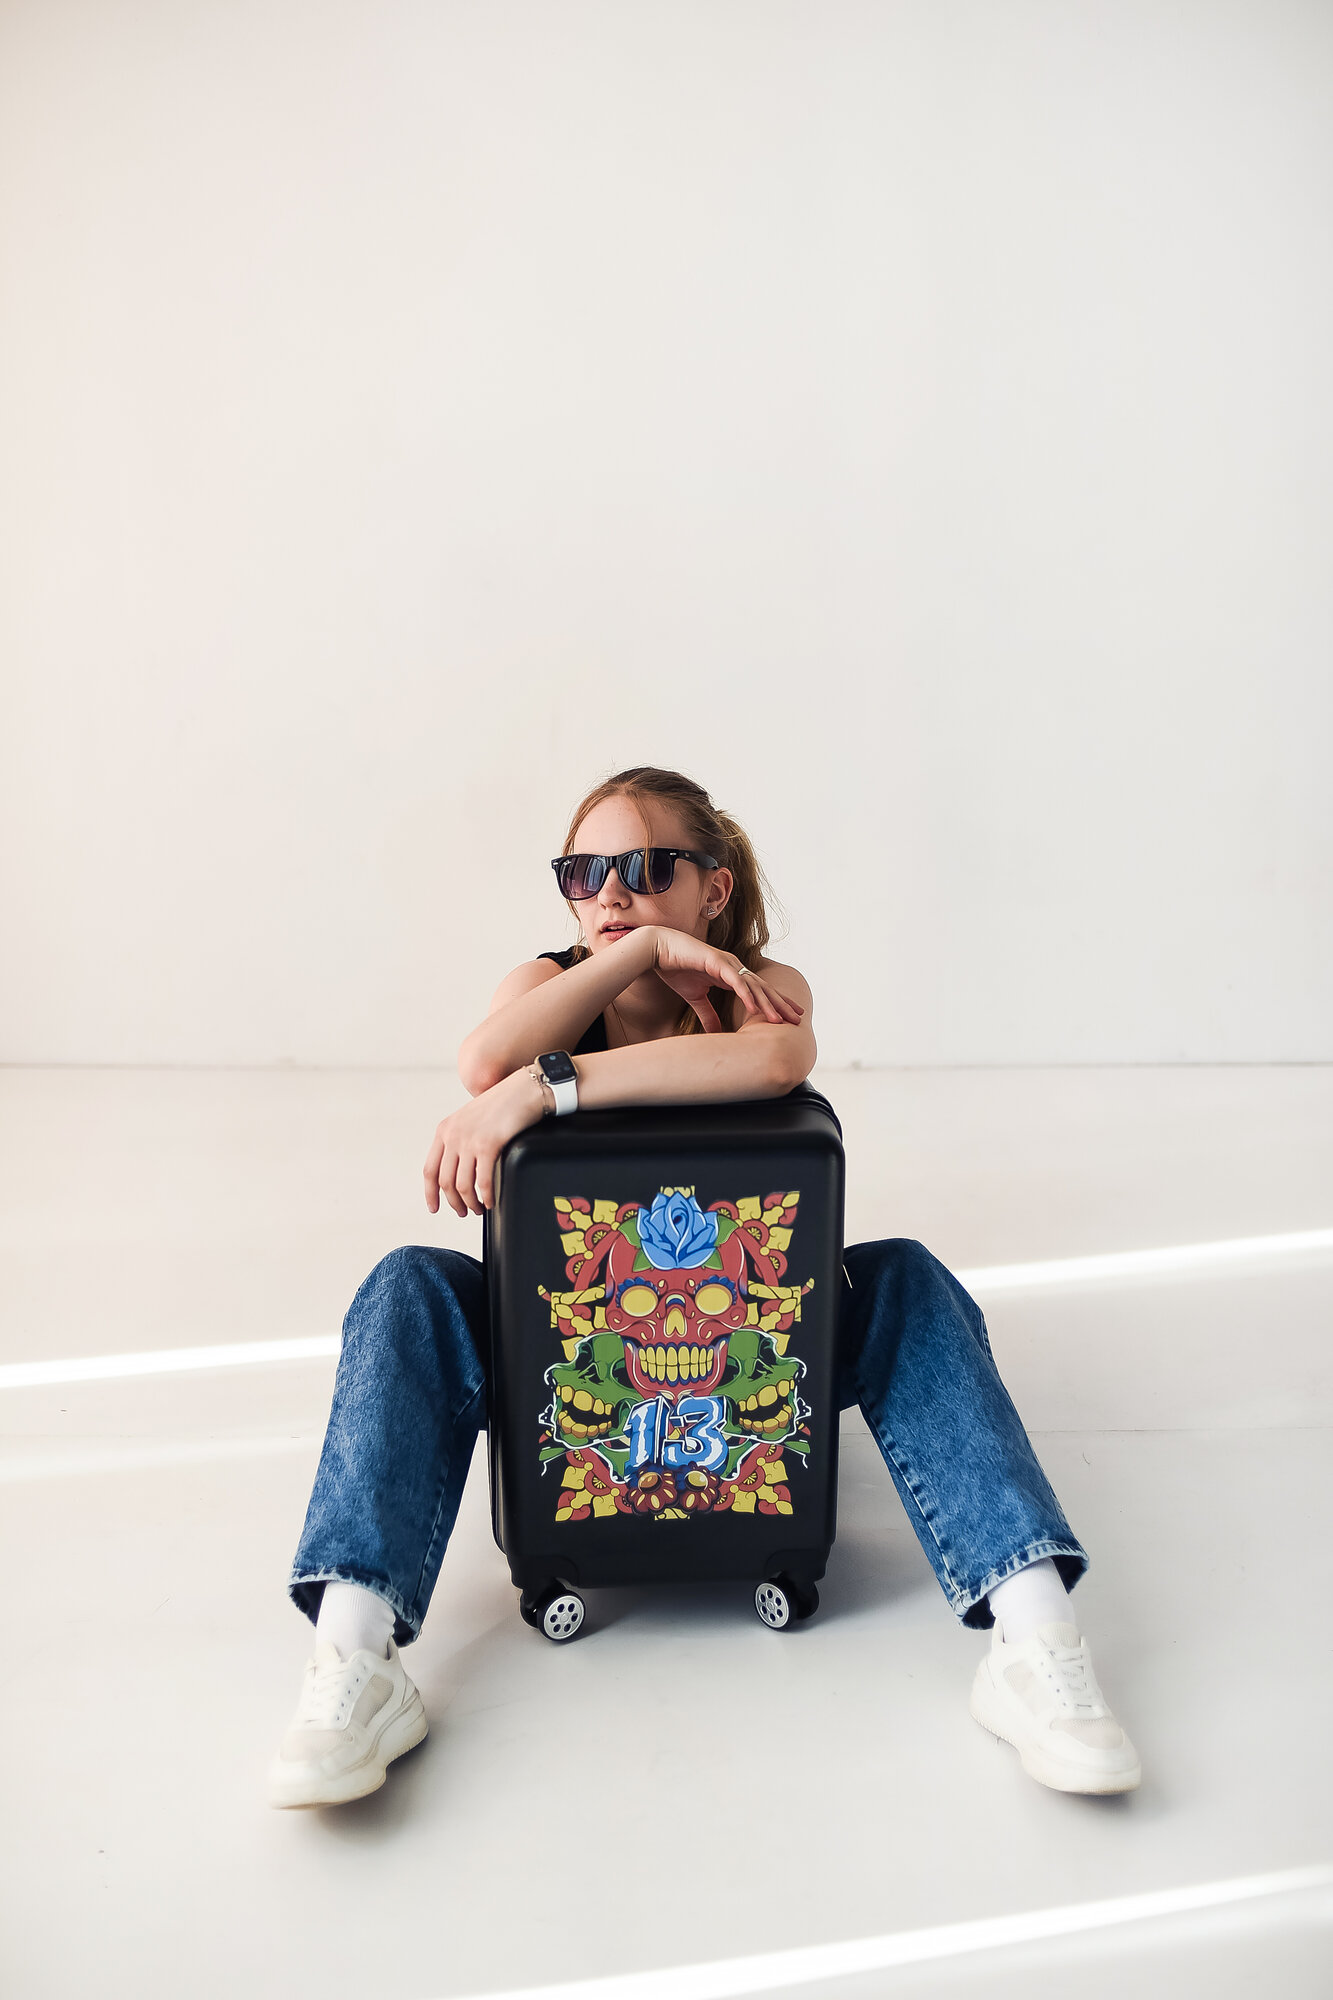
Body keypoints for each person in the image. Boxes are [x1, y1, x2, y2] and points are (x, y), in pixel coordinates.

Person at [269, 766, 1140, 1808]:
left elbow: (773, 1064)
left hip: (758, 1337)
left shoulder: (761, 985)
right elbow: (482, 1061)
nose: (608, 892)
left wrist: (551, 1087)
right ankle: (355, 1656)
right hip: (560, 1343)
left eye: (644, 869)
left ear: (713, 888)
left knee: (907, 1279)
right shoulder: (543, 982)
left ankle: (1034, 1638)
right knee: (406, 1285)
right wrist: (636, 951)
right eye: (582, 873)